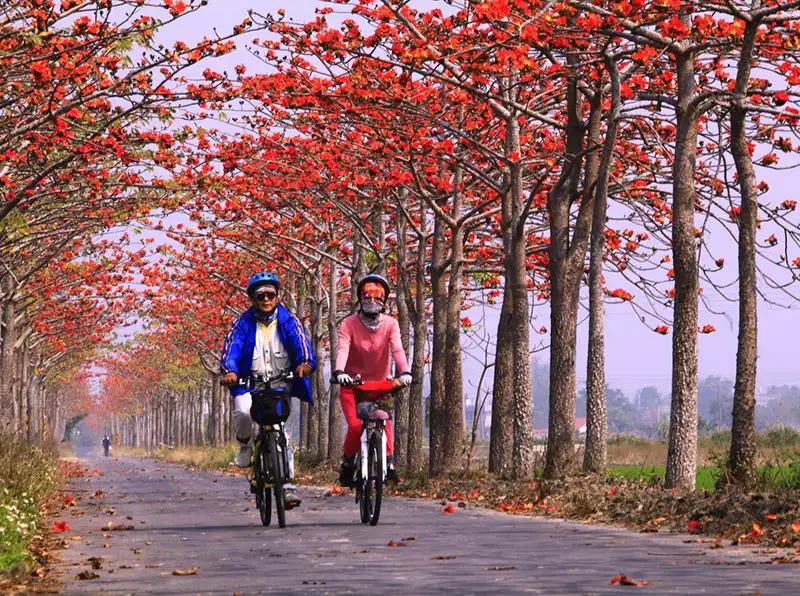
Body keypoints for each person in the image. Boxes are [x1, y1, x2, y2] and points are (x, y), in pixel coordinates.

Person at [220, 272, 316, 509]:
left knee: (285, 435)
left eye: (270, 295)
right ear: (253, 298)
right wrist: (229, 371)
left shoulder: (288, 321)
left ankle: (288, 485)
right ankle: (244, 445)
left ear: (277, 296)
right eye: (260, 295)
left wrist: (305, 363)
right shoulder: (242, 324)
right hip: (249, 384)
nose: (265, 299)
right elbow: (231, 349)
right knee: (243, 413)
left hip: (280, 383)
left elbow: (301, 342)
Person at [333, 274, 412, 487]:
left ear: (384, 301)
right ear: (360, 299)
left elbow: (397, 349)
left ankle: (389, 463)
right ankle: (348, 464)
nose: (372, 302)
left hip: (380, 386)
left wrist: (405, 372)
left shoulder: (391, 325)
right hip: (352, 386)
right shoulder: (348, 324)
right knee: (356, 427)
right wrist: (340, 370)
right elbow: (343, 348)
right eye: (367, 297)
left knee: (383, 418)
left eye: (377, 298)